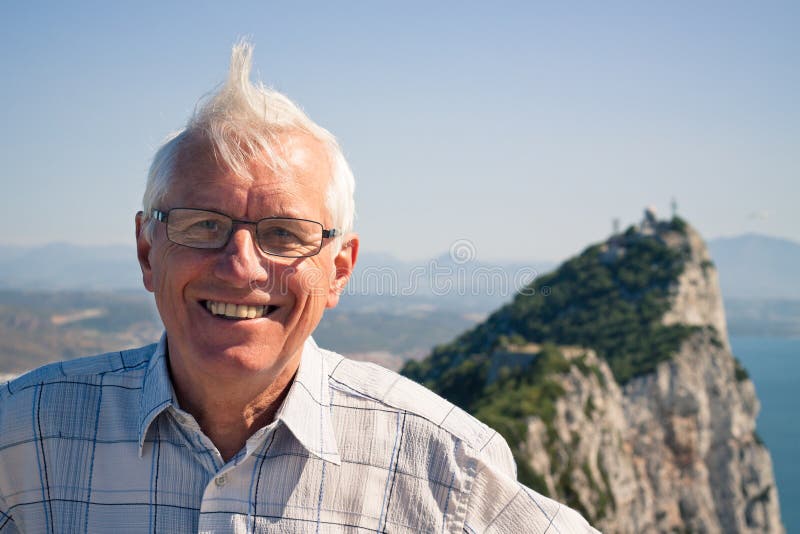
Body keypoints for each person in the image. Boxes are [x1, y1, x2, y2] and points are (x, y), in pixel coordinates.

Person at [0, 43, 598, 533]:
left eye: (284, 234)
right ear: (145, 251)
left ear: (339, 269)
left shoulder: (447, 471)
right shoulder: (24, 435)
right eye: (203, 224)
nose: (241, 266)